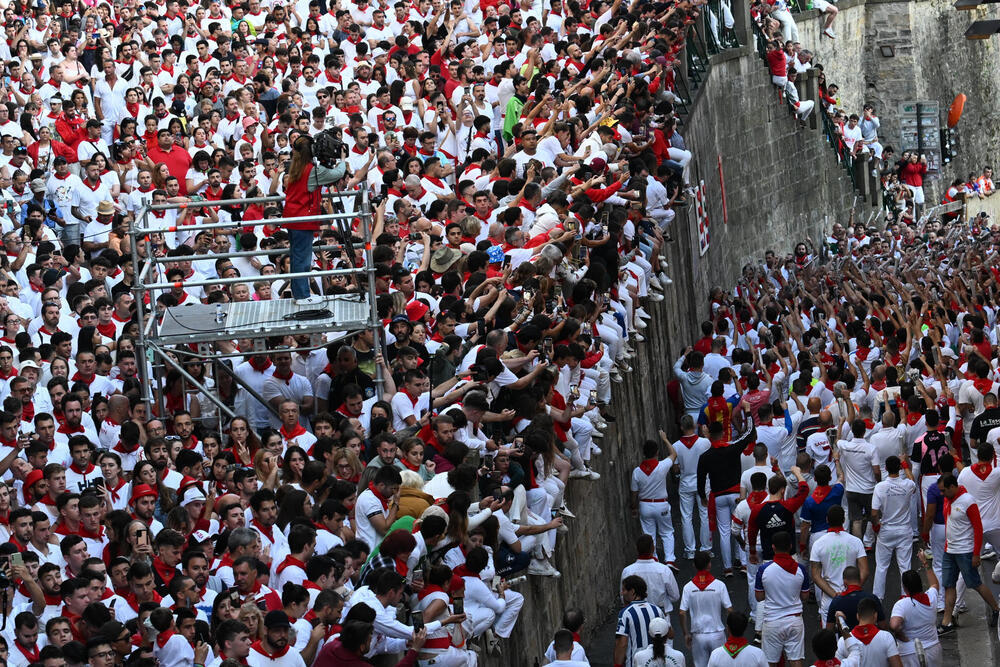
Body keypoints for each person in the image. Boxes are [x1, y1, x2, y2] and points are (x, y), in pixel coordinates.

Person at [282, 135, 347, 305]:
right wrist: (342, 159)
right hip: (302, 219)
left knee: (298, 257)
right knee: (302, 259)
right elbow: (338, 174)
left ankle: (300, 294)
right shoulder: (312, 170)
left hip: (294, 217)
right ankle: (302, 296)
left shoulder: (297, 166)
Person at [937, 472, 1000, 633]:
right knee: (948, 585)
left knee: (975, 584)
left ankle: (995, 608)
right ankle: (947, 621)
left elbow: (978, 528)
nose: (941, 494)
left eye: (944, 490)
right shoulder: (947, 499)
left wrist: (976, 554)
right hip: (950, 550)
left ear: (952, 487)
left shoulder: (968, 501)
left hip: (964, 551)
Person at [755, 531, 809, 667]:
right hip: (795, 620)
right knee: (796, 660)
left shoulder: (763, 569)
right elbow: (805, 596)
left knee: (770, 662)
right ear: (790, 546)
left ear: (773, 547)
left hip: (772, 621)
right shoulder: (801, 569)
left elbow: (759, 597)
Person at [679, 551, 732, 667]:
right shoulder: (719, 585)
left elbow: (682, 612)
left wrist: (686, 633)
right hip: (717, 633)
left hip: (698, 635)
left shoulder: (688, 587)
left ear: (694, 565)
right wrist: (730, 630)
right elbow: (729, 610)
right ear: (709, 565)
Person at [889, 552, 941, 667]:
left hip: (909, 652)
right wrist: (925, 563)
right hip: (933, 648)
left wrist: (899, 634)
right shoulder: (931, 597)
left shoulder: (901, 605)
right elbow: (934, 584)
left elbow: (894, 625)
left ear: (905, 587)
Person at [615, 575, 667, 667]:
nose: (622, 593)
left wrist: (617, 665)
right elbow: (670, 634)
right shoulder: (657, 610)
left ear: (632, 591)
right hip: (657, 662)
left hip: (635, 663)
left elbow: (622, 643)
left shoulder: (625, 613)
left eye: (624, 590)